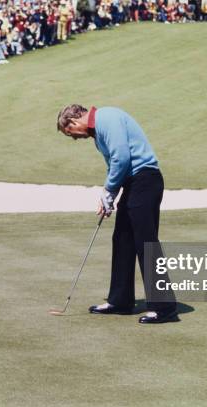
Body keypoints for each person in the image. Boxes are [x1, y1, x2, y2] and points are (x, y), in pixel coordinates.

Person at [56, 104, 179, 324]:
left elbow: (122, 158)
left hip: (146, 180)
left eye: (70, 134)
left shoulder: (106, 118)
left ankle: (165, 308)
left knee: (145, 242)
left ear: (74, 122)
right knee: (122, 239)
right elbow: (115, 164)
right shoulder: (98, 135)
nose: (74, 139)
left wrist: (109, 190)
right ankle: (121, 301)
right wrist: (109, 197)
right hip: (134, 183)